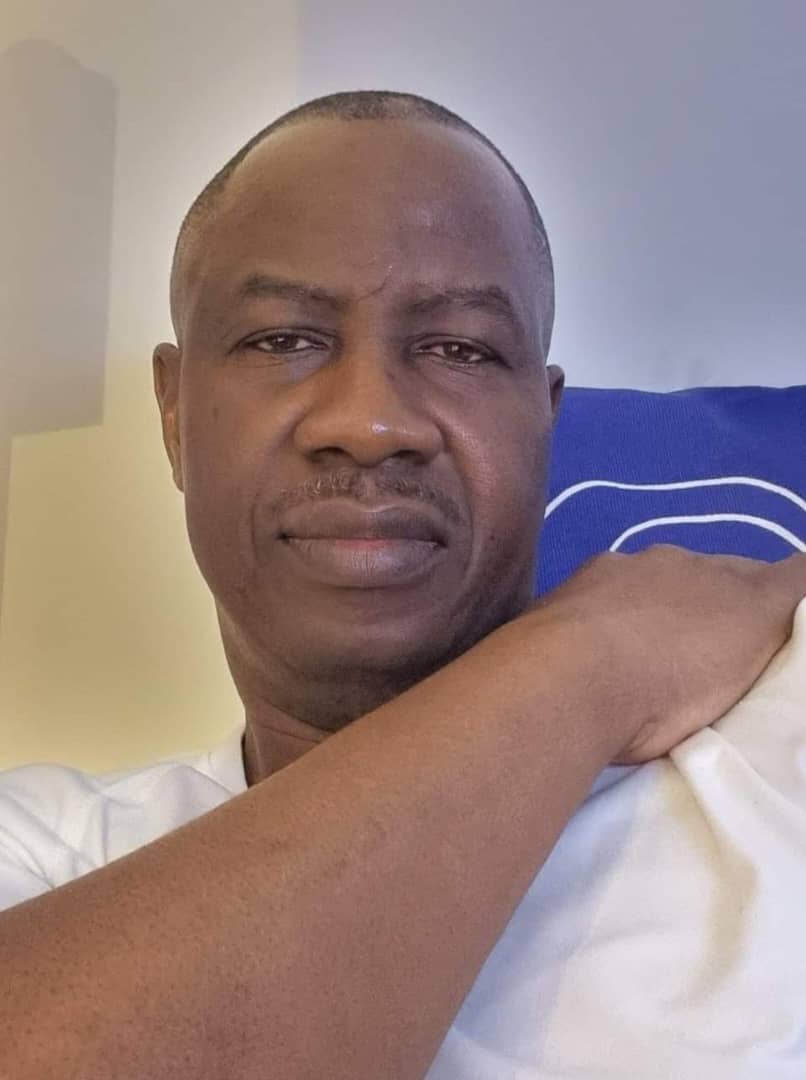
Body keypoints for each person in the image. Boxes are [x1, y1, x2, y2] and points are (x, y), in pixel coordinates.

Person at [1, 90, 805, 1080]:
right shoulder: (43, 852)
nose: (369, 422)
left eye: (459, 348)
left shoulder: (779, 751)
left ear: (544, 421)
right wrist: (585, 660)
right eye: (282, 339)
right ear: (173, 414)